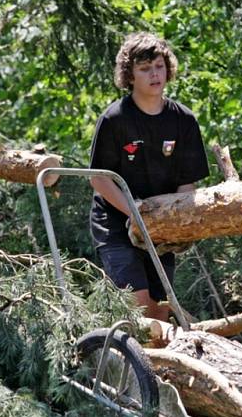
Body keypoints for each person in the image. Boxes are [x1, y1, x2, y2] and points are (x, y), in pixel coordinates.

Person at [89, 32, 209, 320]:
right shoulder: (114, 119)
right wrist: (135, 212)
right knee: (139, 305)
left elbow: (186, 183)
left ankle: (153, 366)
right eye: (145, 69)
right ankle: (125, 360)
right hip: (116, 224)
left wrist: (176, 221)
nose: (155, 74)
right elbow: (99, 179)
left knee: (159, 313)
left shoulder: (183, 120)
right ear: (129, 75)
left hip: (160, 227)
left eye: (159, 65)